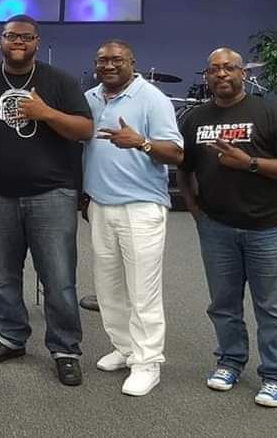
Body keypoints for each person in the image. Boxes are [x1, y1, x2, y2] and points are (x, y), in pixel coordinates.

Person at [177, 47, 277, 408]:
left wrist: (250, 163)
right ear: (206, 76)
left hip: (268, 226)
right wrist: (195, 210)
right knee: (223, 304)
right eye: (214, 70)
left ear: (242, 74)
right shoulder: (194, 118)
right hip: (216, 227)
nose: (221, 75)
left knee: (273, 306)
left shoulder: (269, 111)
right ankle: (230, 361)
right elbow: (184, 168)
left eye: (229, 68)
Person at [0, 15, 93, 386]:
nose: (18, 42)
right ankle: (11, 337)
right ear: (0, 41)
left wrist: (45, 113)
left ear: (37, 42)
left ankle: (65, 348)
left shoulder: (59, 81)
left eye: (25, 37)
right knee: (3, 277)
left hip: (52, 194)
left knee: (59, 278)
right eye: (10, 36)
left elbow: (85, 129)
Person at [83, 40, 183, 396]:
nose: (108, 65)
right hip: (101, 205)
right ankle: (124, 348)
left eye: (117, 60)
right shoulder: (91, 98)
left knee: (142, 289)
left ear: (132, 62)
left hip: (141, 207)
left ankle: (147, 362)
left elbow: (176, 153)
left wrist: (141, 142)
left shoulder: (153, 98)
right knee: (108, 287)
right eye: (102, 60)